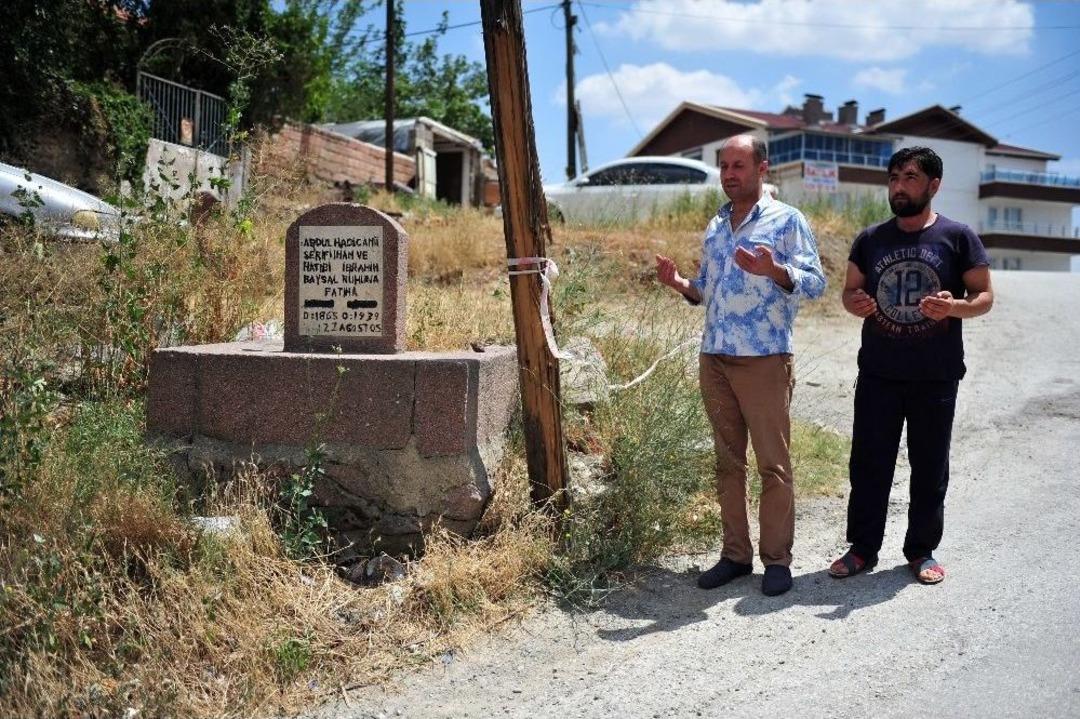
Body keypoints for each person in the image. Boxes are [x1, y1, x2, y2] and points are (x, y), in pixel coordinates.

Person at [655, 135, 826, 596]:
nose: (729, 174)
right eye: (724, 166)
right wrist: (681, 284)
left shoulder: (787, 220)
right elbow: (707, 288)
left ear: (762, 169)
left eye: (739, 165)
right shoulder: (716, 225)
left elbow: (815, 283)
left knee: (773, 465)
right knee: (728, 463)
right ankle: (735, 555)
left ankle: (777, 560)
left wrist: (775, 270)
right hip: (715, 358)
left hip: (765, 359)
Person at [828, 146, 993, 585]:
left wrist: (954, 307)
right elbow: (849, 291)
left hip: (935, 375)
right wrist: (855, 302)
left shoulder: (958, 237)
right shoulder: (870, 239)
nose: (898, 187)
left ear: (934, 185)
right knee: (869, 465)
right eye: (894, 178)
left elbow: (984, 297)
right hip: (879, 373)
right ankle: (862, 548)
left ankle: (921, 550)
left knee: (930, 468)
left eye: (910, 178)